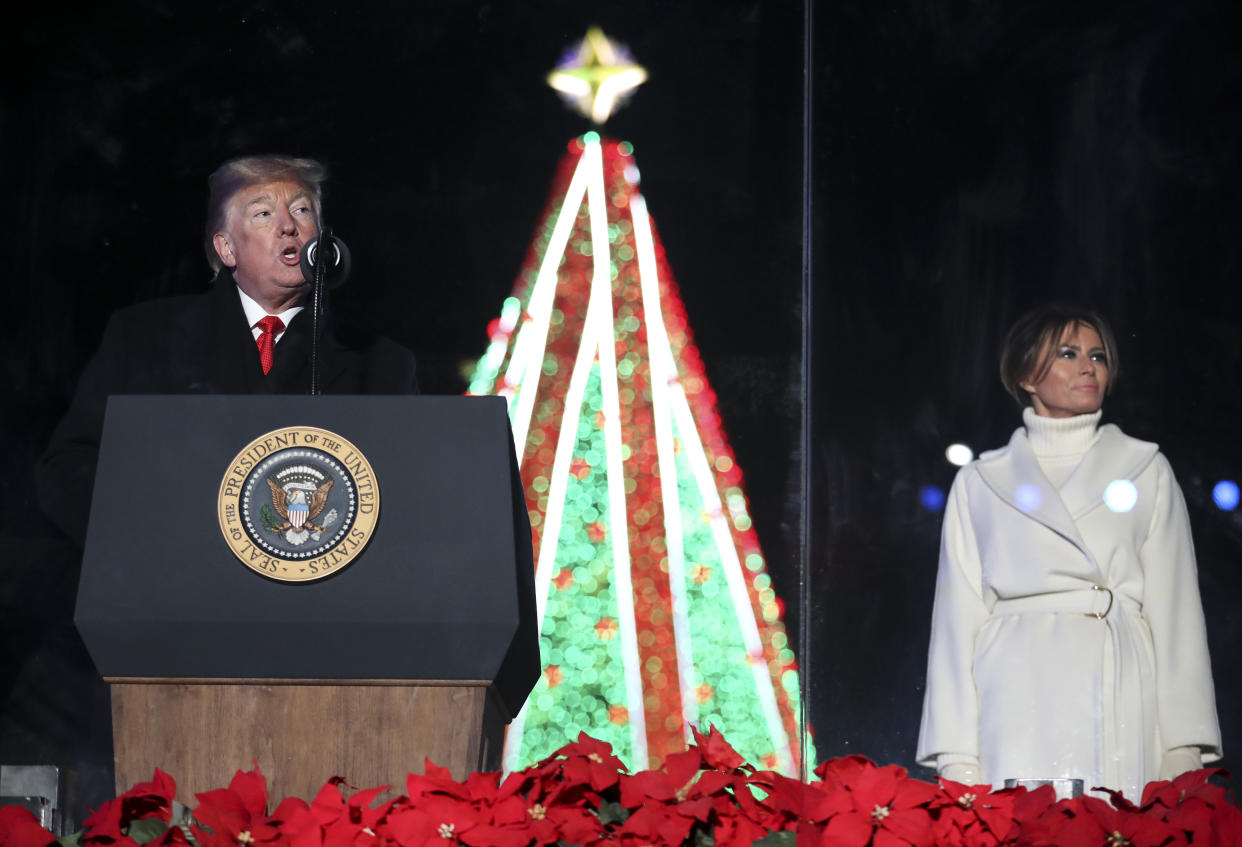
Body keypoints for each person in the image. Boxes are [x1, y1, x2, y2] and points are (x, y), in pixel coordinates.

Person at [915, 303, 1221, 800]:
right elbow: (956, 621)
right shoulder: (981, 482)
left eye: (1098, 355)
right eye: (1068, 353)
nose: (1088, 366)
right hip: (1012, 689)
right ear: (1025, 375)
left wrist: (1183, 744)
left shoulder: (1145, 468)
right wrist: (956, 754)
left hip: (1118, 683)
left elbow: (1177, 614)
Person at [37, 155, 418, 546]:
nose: (289, 225)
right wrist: (145, 537)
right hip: (176, 589)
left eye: (302, 209)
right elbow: (68, 468)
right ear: (226, 249)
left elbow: (408, 495)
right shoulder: (143, 338)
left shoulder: (380, 363)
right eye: (263, 213)